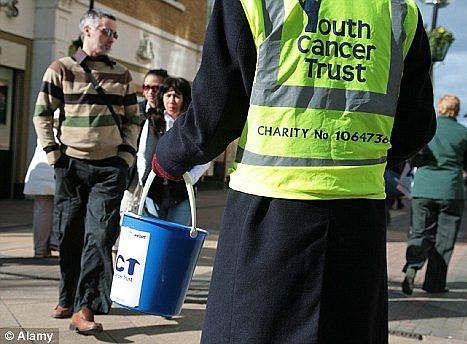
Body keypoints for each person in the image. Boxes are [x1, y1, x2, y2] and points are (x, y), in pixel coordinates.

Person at [151, 1, 436, 343]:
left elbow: (217, 110)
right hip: (358, 218)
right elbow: (415, 127)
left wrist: (168, 156)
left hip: (268, 211)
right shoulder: (399, 10)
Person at [33, 8, 139, 334]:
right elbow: (42, 114)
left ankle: (85, 307)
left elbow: (133, 119)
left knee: (100, 234)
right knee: (70, 235)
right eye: (107, 32)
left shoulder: (122, 74)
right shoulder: (60, 69)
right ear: (87, 31)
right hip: (71, 167)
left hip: (109, 168)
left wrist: (125, 158)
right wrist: (55, 156)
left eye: (115, 35)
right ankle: (67, 296)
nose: (111, 39)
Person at [402, 94, 467, 295]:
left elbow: (412, 158)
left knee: (420, 232)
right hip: (451, 190)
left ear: (439, 108)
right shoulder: (464, 133)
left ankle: (412, 268)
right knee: (445, 240)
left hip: (424, 189)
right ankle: (434, 284)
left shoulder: (427, 129)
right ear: (456, 110)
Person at [138, 77, 209, 224]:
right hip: (154, 192)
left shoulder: (192, 125)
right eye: (168, 95)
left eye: (177, 96)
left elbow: (205, 158)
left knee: (175, 237)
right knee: (155, 235)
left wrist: (189, 179)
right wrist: (143, 179)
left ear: (184, 99)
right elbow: (143, 153)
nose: (172, 100)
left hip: (181, 195)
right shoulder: (153, 121)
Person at [23, 134, 60, 258]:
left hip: (40, 168)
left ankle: (40, 250)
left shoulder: (42, 122)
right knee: (63, 208)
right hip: (58, 166)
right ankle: (55, 241)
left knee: (42, 211)